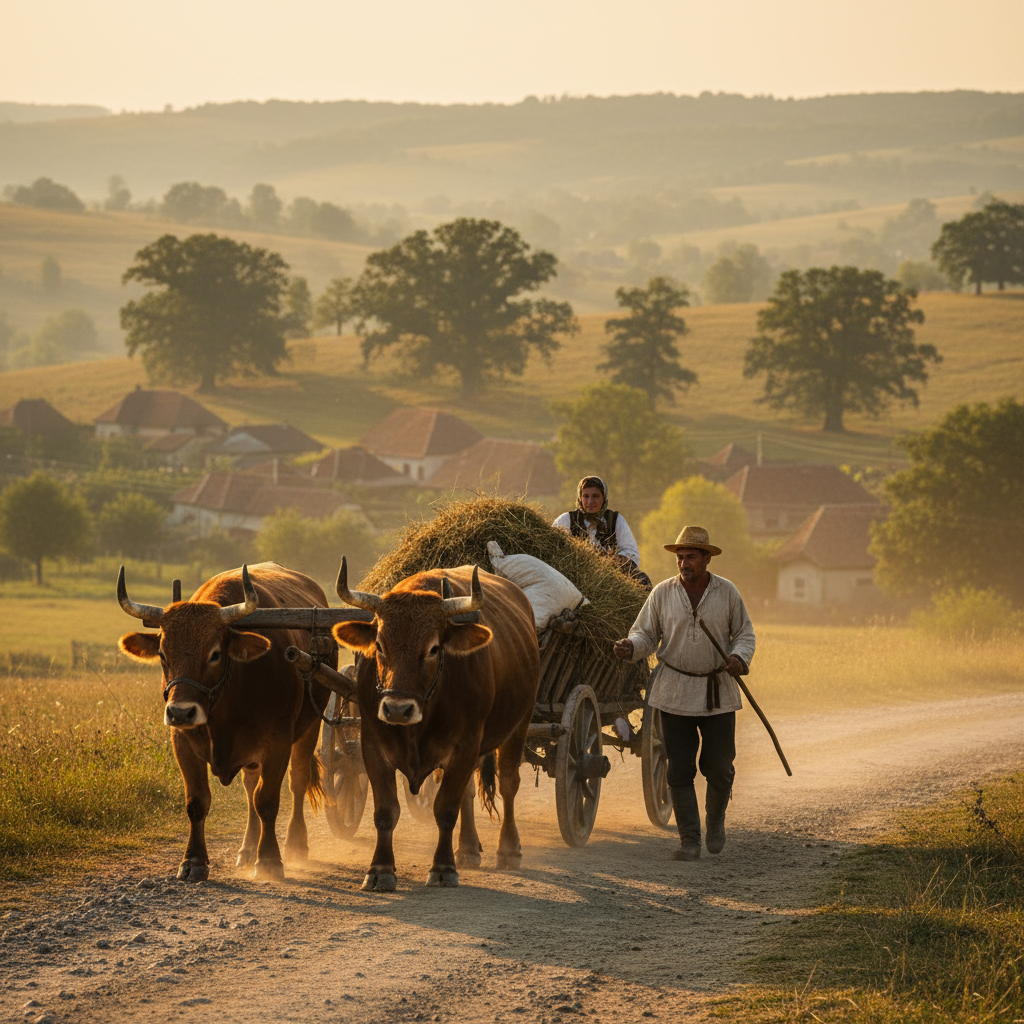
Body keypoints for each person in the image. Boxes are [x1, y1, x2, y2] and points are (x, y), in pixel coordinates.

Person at [612, 525, 755, 861]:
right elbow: (645, 634)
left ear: (707, 558)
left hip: (716, 690)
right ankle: (689, 839)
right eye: (680, 557)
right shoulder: (662, 593)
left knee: (719, 767)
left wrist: (738, 658)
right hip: (673, 692)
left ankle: (715, 821)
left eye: (691, 556)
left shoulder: (727, 593)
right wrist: (631, 646)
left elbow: (744, 634)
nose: (684, 563)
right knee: (679, 768)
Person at [552, 475, 652, 589]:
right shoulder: (566, 520)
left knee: (643, 581)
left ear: (603, 498)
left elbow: (631, 552)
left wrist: (609, 561)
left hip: (610, 578)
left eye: (595, 496)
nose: (590, 501)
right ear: (580, 498)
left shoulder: (615, 520)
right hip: (573, 578)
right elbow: (553, 549)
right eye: (586, 496)